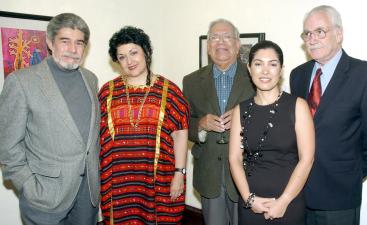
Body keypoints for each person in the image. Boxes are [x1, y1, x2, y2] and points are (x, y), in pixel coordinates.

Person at [290, 5, 367, 225]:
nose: (312, 39)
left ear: (339, 34)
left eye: (319, 31)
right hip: (299, 192)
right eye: (307, 33)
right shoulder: (297, 75)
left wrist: (354, 173)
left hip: (339, 195)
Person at [0, 13, 100, 225]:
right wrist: (28, 185)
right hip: (45, 196)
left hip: (87, 195)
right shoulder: (20, 81)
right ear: (50, 42)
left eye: (79, 43)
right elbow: (7, 145)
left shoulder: (91, 79)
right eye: (65, 41)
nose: (73, 50)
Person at [98, 26, 189, 225]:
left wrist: (179, 174)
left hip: (160, 180)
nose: (129, 61)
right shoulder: (107, 92)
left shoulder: (170, 91)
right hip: (118, 183)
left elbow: (180, 134)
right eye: (122, 57)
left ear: (146, 51)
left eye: (133, 53)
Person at [229, 40, 315, 225]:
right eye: (258, 64)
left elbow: (307, 159)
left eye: (272, 64)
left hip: (289, 203)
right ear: (249, 69)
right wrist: (249, 199)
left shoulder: (298, 106)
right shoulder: (240, 110)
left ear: (281, 69)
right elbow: (234, 158)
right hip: (251, 204)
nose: (265, 71)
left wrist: (284, 201)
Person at [183, 18, 255, 225]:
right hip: (209, 174)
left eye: (226, 37)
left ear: (238, 44)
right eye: (214, 37)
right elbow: (183, 126)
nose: (220, 42)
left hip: (248, 172)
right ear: (208, 46)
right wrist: (201, 125)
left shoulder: (255, 76)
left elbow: (270, 117)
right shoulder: (191, 81)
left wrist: (245, 119)